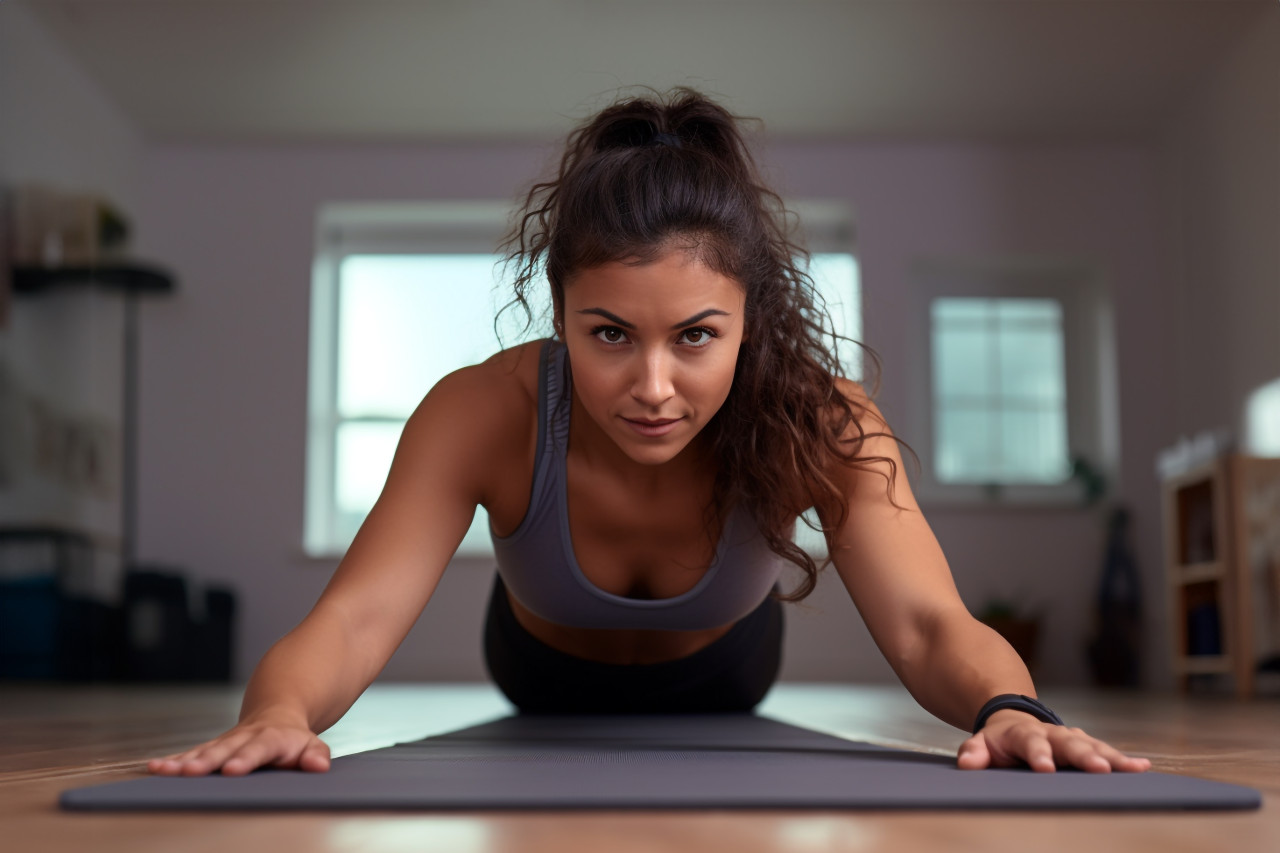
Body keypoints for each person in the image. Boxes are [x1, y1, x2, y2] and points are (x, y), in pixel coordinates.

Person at [148, 87, 1150, 778]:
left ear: (750, 318)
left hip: (725, 673)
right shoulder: (479, 409)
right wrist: (276, 713)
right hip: (539, 671)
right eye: (610, 334)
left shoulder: (822, 420)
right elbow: (355, 619)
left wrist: (1010, 709)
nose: (653, 386)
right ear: (561, 312)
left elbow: (930, 622)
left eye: (697, 336)